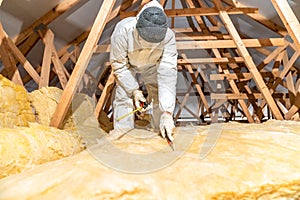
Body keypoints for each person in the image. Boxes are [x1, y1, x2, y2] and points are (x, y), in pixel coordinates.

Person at [110, 0, 178, 141]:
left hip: (153, 65)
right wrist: (134, 90)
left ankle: (160, 132)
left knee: (158, 93)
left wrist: (167, 112)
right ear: (137, 28)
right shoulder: (123, 31)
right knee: (124, 94)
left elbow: (168, 74)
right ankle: (123, 136)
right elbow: (120, 66)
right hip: (128, 65)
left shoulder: (169, 37)